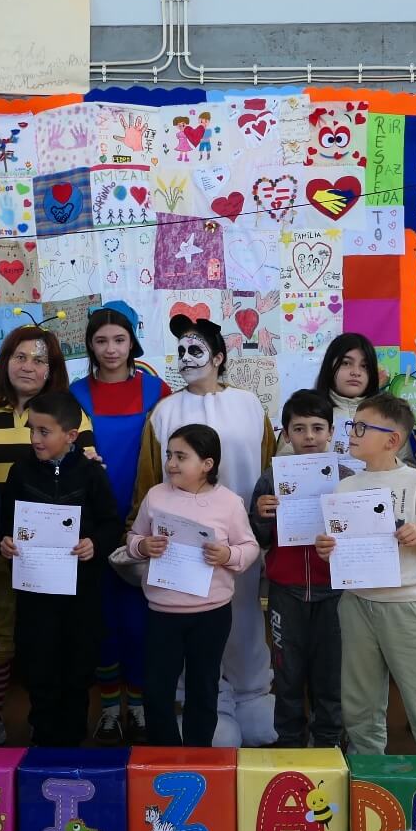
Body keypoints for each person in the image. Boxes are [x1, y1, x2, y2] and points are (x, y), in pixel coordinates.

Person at [133, 315, 276, 747]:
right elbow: (149, 482)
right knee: (186, 638)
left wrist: (264, 530)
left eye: (195, 350)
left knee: (244, 617)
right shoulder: (164, 412)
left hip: (238, 539)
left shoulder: (249, 406)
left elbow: (268, 468)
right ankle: (198, 711)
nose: (185, 359)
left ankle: (252, 696)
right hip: (179, 555)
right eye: (180, 351)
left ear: (218, 357)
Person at [0, 325, 96, 747]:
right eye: (20, 357)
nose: (28, 366)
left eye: (40, 360)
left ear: (52, 369)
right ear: (5, 362)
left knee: (50, 637)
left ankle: (47, 721)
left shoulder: (70, 413)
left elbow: (86, 471)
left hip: (53, 553)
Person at [315, 393, 416, 759]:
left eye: (362, 427)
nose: (352, 432)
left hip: (406, 606)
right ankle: (368, 778)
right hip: (355, 603)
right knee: (359, 701)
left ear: (392, 440)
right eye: (353, 425)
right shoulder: (345, 486)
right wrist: (327, 548)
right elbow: (340, 545)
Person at [69, 301, 169, 742]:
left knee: (141, 618)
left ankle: (141, 707)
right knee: (103, 618)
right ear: (90, 346)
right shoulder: (75, 394)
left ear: (133, 343)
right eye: (101, 340)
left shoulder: (158, 391)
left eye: (119, 339)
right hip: (94, 522)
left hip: (146, 518)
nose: (111, 349)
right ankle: (110, 708)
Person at [0, 390, 122, 747]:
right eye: (31, 430)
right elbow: (6, 523)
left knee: (78, 668)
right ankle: (42, 735)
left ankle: (72, 741)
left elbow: (112, 523)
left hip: (81, 595)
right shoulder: (20, 472)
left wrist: (94, 543)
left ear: (70, 435)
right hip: (35, 593)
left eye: (44, 431)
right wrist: (6, 542)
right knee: (39, 666)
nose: (35, 439)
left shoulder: (91, 473)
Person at [125, 424, 259, 747]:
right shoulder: (156, 496)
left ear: (207, 464)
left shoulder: (228, 502)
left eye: (181, 457)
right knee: (158, 688)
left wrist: (227, 554)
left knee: (204, 686)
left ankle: (200, 753)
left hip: (211, 614)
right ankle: (164, 752)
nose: (171, 463)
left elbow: (250, 546)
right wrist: (143, 546)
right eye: (169, 455)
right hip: (163, 613)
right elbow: (133, 537)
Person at [251, 390, 350, 749]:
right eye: (299, 428)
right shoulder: (270, 480)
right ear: (286, 434)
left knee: (331, 672)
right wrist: (262, 516)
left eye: (317, 428)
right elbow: (260, 538)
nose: (309, 436)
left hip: (334, 593)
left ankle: (328, 741)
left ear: (331, 432)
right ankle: (289, 741)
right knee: (287, 671)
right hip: (286, 592)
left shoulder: (347, 478)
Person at [278, 332, 413, 464]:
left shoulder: (390, 414)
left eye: (364, 366)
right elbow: (283, 466)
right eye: (346, 363)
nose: (356, 372)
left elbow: (407, 467)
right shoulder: (304, 409)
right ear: (329, 366)